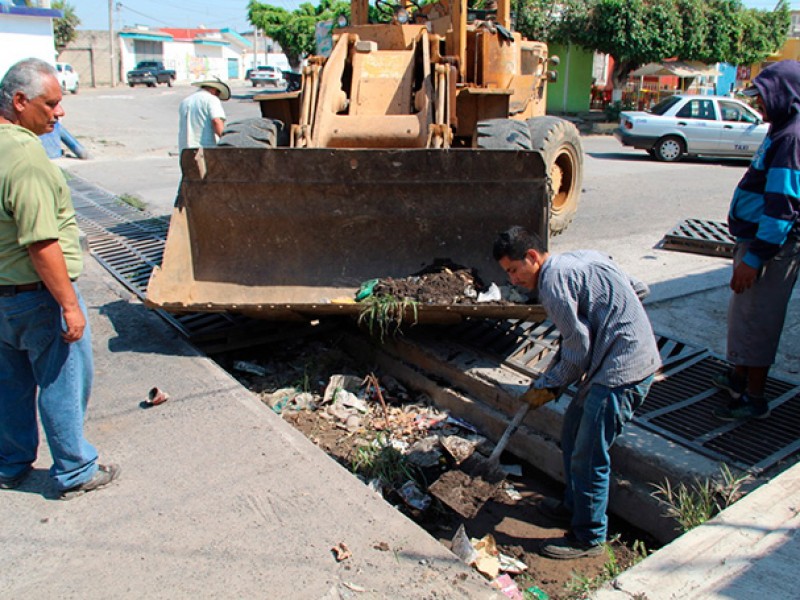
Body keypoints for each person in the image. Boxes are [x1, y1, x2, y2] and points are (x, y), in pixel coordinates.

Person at [492, 226, 660, 559]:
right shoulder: (580, 259)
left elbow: (578, 349)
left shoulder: (552, 285)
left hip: (620, 372)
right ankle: (574, 506)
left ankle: (589, 536)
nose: (512, 280)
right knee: (571, 434)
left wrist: (549, 385)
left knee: (589, 455)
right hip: (610, 362)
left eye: (513, 270)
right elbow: (639, 288)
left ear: (532, 257)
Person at [0, 58, 119, 499]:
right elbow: (40, 241)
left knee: (9, 385)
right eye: (50, 103)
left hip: (2, 298)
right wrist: (68, 304)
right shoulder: (26, 156)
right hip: (37, 297)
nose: (59, 113)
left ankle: (10, 464)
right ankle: (75, 470)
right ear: (19, 101)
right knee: (61, 382)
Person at [713, 61, 800, 421]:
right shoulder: (780, 130)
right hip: (755, 243)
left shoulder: (792, 137)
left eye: (763, 99)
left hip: (772, 250)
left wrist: (756, 257)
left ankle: (753, 397)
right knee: (743, 316)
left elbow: (783, 205)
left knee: (759, 320)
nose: (759, 106)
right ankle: (738, 374)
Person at [177, 76, 230, 151]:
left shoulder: (185, 101)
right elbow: (216, 121)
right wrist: (226, 141)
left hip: (185, 149)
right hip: (204, 147)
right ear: (214, 89)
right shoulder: (211, 99)